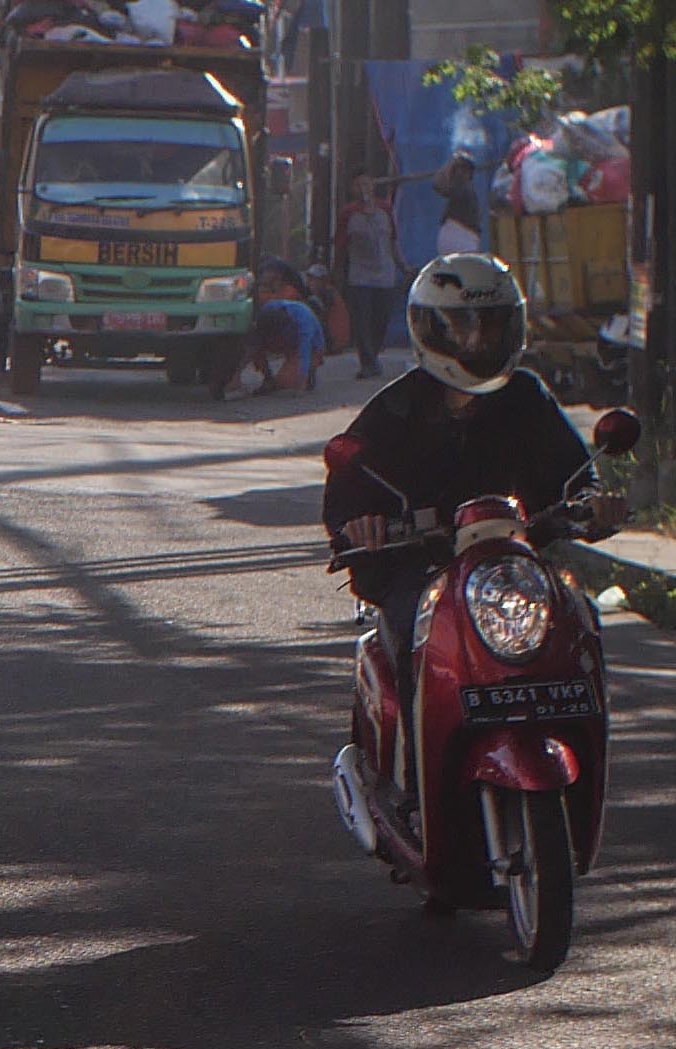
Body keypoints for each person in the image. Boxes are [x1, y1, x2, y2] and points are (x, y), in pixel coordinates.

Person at [326, 254, 601, 764]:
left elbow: (575, 473)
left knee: (579, 617)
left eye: (491, 328)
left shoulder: (527, 398)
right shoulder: (396, 408)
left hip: (511, 565)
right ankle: (414, 763)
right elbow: (350, 481)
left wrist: (593, 503)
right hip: (425, 565)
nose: (479, 343)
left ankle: (582, 747)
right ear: (429, 331)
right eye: (463, 330)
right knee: (414, 627)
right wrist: (360, 522)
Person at [222, 261, 326, 396]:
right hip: (284, 337)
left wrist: (301, 382)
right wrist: (236, 376)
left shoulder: (303, 321)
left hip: (312, 347)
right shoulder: (268, 309)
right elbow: (252, 344)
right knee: (255, 343)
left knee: (285, 382)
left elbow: (304, 350)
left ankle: (308, 374)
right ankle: (268, 379)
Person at [337, 175, 401, 377]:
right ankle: (368, 362)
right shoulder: (348, 214)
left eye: (366, 182)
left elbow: (393, 242)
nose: (363, 187)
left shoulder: (386, 210)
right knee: (362, 320)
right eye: (358, 184)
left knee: (381, 318)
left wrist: (403, 265)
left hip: (385, 275)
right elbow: (341, 246)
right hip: (359, 276)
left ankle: (373, 354)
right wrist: (336, 273)